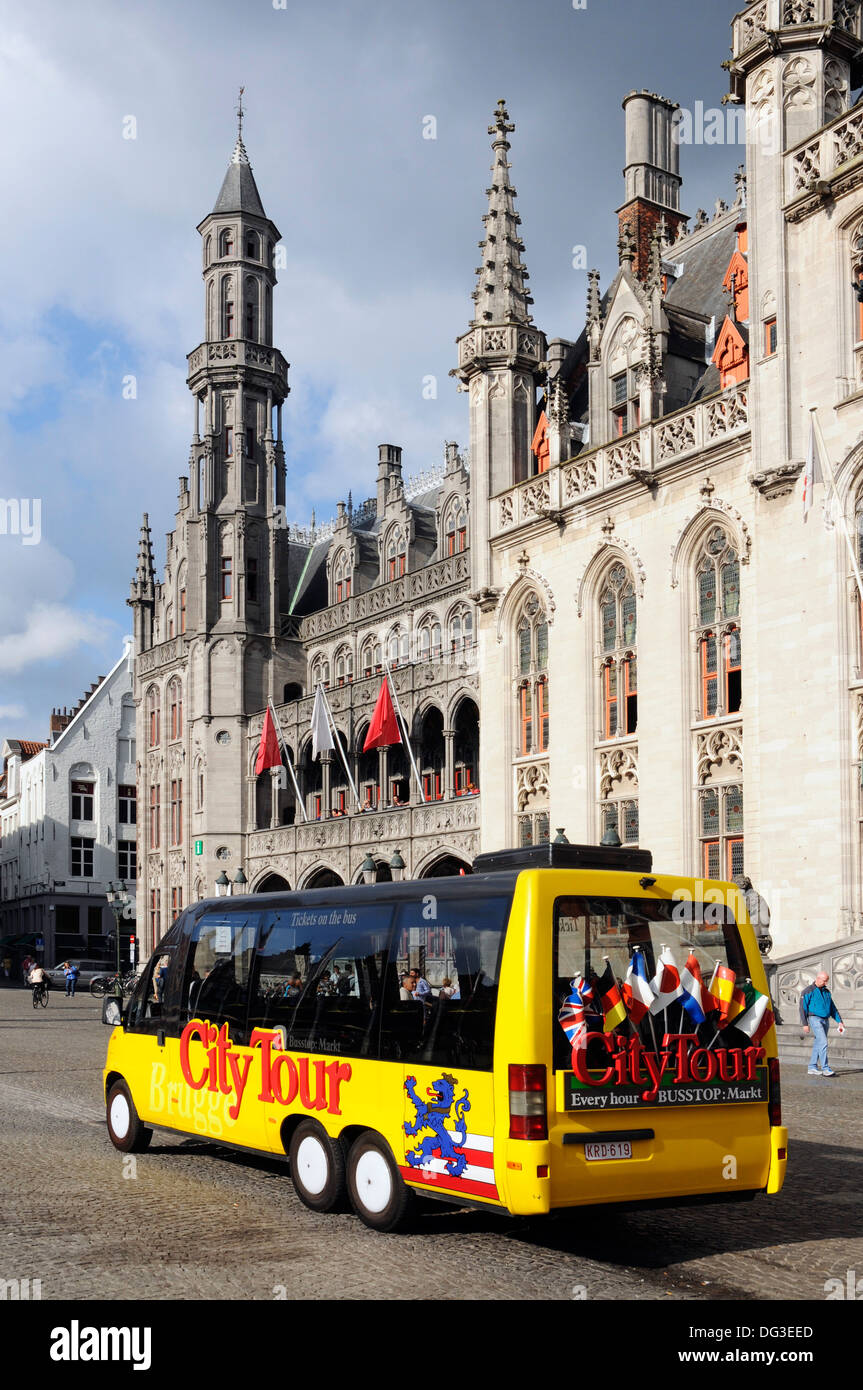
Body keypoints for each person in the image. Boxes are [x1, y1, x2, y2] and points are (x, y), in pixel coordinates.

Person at [800, 971, 845, 1076]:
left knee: (818, 1043)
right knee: (823, 1042)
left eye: (827, 981)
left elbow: (832, 1008)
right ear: (818, 978)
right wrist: (805, 1023)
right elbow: (802, 1008)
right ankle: (825, 1068)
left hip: (825, 1019)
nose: (825, 983)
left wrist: (840, 1022)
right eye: (824, 981)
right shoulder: (807, 991)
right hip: (814, 1019)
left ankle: (812, 1067)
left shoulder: (826, 992)